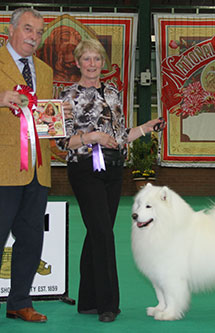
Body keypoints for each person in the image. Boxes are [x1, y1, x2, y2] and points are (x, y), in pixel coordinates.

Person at [56, 39, 165, 323]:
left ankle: (88, 301)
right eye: (87, 59)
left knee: (96, 232)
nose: (92, 64)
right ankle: (108, 304)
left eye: (97, 59)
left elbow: (120, 135)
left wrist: (145, 127)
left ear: (103, 63)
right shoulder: (66, 96)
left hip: (114, 170)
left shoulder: (114, 93)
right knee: (104, 234)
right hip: (84, 168)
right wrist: (92, 138)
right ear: (78, 63)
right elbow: (61, 141)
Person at [0, 8, 53, 323]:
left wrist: (61, 121)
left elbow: (46, 119)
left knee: (32, 238)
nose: (34, 37)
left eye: (39, 32)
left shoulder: (44, 71)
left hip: (39, 168)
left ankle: (20, 301)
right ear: (11, 30)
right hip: (4, 167)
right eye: (29, 29)